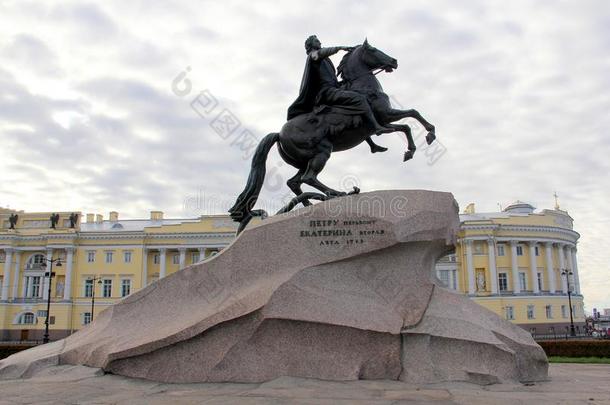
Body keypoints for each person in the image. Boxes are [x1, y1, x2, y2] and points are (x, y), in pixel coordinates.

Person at [287, 35, 389, 153]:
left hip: (333, 88)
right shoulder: (313, 55)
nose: (319, 42)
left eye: (319, 40)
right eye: (316, 41)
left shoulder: (323, 59)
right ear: (310, 45)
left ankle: (372, 145)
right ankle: (376, 127)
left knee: (353, 109)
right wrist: (338, 48)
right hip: (326, 92)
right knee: (359, 99)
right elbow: (320, 54)